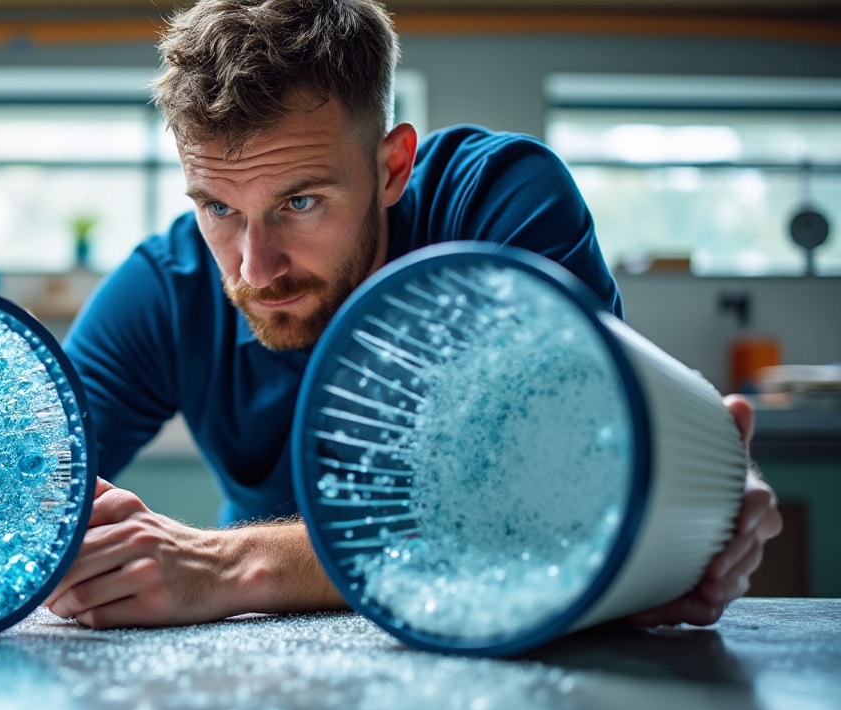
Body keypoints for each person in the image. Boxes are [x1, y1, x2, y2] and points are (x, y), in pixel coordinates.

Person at [44, 0, 782, 630]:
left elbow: (559, 487)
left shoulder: (496, 203)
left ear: (392, 166)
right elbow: (27, 481)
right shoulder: (166, 286)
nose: (252, 267)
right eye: (219, 208)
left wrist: (232, 565)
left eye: (300, 202)